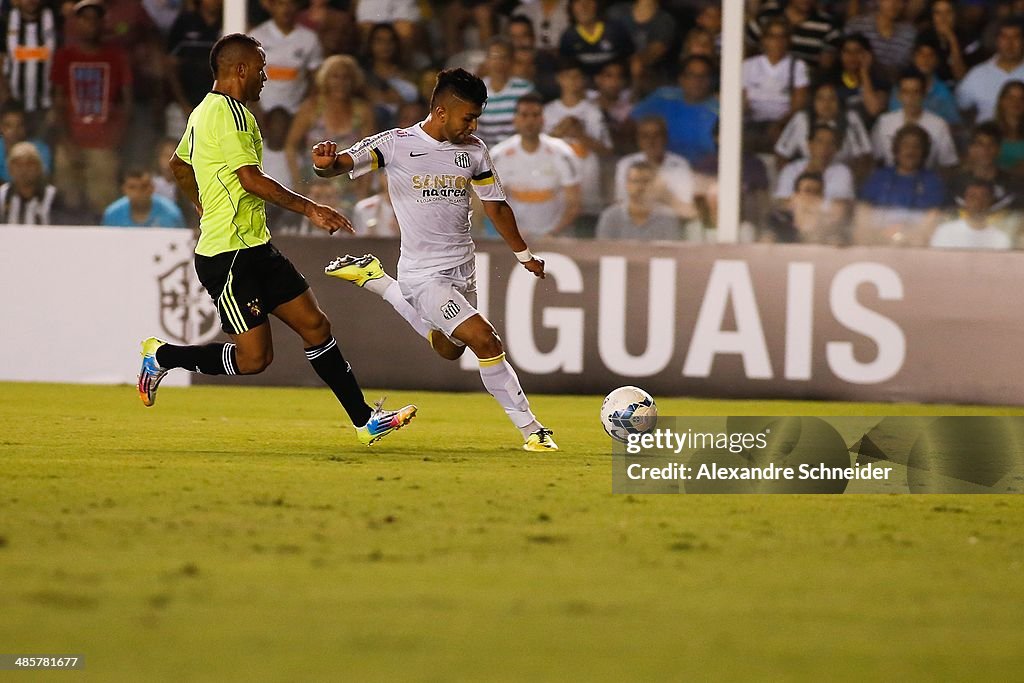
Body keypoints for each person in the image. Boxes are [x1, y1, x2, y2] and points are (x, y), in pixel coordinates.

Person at [137, 33, 416, 448]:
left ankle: (365, 421)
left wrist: (201, 205)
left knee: (316, 326)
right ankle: (162, 357)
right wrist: (310, 209)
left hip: (256, 246)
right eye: (262, 67)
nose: (267, 76)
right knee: (255, 360)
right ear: (241, 69)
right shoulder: (228, 115)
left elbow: (180, 165)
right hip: (227, 256)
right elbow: (250, 179)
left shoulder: (207, 112)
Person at [312, 68, 558, 452]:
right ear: (442, 111)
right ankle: (533, 431)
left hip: (463, 268)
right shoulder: (396, 144)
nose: (473, 125)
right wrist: (324, 163)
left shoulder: (474, 151)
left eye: (477, 117)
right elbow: (340, 164)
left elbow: (495, 206)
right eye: (469, 117)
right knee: (485, 339)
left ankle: (376, 280)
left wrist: (524, 255)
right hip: (423, 275)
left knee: (449, 348)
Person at [50, 0, 132, 218]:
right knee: (68, 201)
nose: (91, 24)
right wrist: (66, 142)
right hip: (71, 141)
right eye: (85, 18)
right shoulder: (64, 56)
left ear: (102, 23)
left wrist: (115, 138)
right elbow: (58, 102)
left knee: (103, 202)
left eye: (95, 19)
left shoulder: (115, 56)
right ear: (77, 23)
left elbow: (126, 101)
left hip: (103, 143)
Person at [491, 92, 581, 236]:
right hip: (512, 238)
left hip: (557, 237)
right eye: (524, 115)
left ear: (543, 119)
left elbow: (574, 203)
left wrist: (552, 234)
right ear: (515, 119)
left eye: (535, 115)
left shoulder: (563, 153)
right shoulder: (498, 156)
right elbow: (488, 204)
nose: (530, 121)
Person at [855, 123, 946, 246]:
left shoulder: (932, 181)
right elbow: (863, 211)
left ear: (924, 152)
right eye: (905, 145)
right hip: (876, 240)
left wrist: (904, 236)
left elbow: (932, 218)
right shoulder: (879, 177)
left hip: (914, 244)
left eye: (916, 146)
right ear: (896, 149)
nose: (910, 151)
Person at [871, 69, 958, 170]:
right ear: (899, 95)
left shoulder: (939, 124)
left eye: (916, 92)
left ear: (924, 95)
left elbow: (948, 163)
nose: (911, 97)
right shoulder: (884, 122)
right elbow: (875, 159)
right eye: (906, 92)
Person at [613, 115, 695, 222]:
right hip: (634, 222)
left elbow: (686, 207)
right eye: (645, 136)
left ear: (665, 138)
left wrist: (664, 194)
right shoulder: (626, 164)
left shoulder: (680, 164)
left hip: (672, 222)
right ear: (638, 140)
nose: (651, 141)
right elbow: (621, 203)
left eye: (657, 135)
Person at [956, 19, 1024, 124]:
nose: (1010, 43)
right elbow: (960, 106)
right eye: (1004, 37)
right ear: (997, 40)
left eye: (1016, 37)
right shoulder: (977, 74)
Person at [595, 160, 683, 240]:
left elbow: (671, 254)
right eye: (635, 181)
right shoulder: (610, 217)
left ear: (655, 185)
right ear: (627, 185)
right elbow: (603, 253)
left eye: (646, 181)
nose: (640, 187)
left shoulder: (668, 217)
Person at [930, 178, 1012, 250]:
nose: (977, 201)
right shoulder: (945, 231)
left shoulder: (1000, 238)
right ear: (964, 200)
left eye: (983, 197)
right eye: (972, 196)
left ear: (991, 201)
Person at [0, 141, 70, 225]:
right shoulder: (3, 195)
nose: (23, 170)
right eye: (18, 165)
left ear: (39, 168)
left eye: (29, 164)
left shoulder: (54, 197)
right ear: (10, 169)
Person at [101, 167, 186, 228]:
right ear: (124, 189)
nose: (138, 192)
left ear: (152, 188)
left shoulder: (170, 213)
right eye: (132, 187)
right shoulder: (113, 214)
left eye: (144, 187)